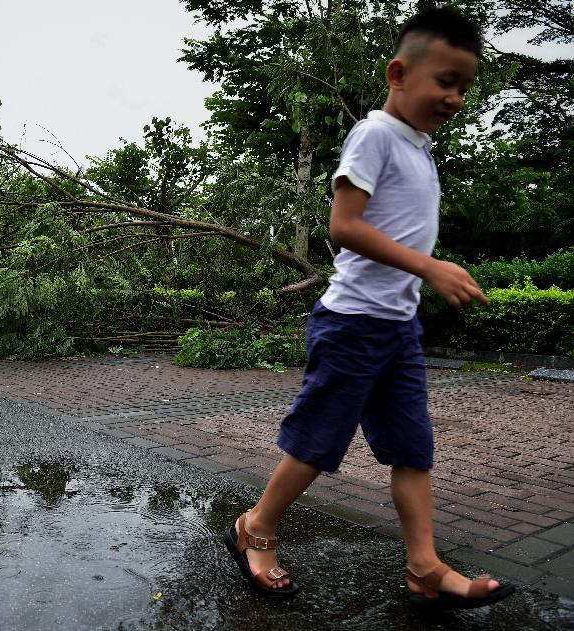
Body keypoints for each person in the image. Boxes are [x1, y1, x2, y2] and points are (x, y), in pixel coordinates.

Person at [223, 5, 515, 611]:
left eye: (465, 85)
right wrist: (429, 267)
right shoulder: (375, 134)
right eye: (445, 81)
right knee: (317, 442)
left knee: (412, 447)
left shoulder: (422, 147)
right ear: (399, 74)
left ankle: (424, 567)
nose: (456, 97)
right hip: (353, 321)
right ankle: (256, 529)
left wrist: (421, 277)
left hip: (398, 327)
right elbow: (344, 226)